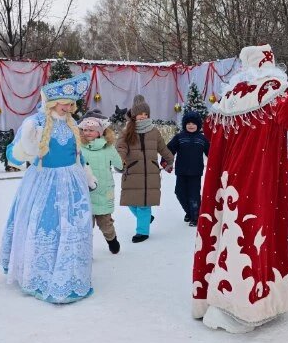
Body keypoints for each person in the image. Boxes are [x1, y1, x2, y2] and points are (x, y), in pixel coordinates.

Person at [192, 44, 288, 333]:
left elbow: (210, 130)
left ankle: (214, 298)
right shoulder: (275, 93)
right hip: (259, 178)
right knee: (255, 234)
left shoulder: (229, 96)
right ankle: (245, 306)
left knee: (225, 230)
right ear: (270, 65)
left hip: (224, 181)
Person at [0, 73, 97, 304]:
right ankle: (40, 273)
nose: (69, 107)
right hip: (44, 183)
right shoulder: (37, 122)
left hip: (72, 183)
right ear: (53, 101)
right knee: (46, 225)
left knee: (72, 227)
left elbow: (78, 156)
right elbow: (13, 155)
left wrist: (87, 175)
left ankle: (69, 276)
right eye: (65, 103)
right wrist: (27, 141)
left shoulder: (72, 124)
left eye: (72, 103)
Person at [116, 95, 175, 243]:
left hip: (150, 173)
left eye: (145, 114)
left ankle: (142, 232)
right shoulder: (127, 131)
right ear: (134, 115)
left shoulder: (154, 131)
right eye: (140, 114)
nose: (143, 116)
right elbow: (121, 147)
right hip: (132, 172)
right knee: (130, 201)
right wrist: (119, 160)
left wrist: (169, 160)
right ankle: (146, 218)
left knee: (144, 204)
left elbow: (162, 147)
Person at [79, 109, 124, 254]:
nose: (87, 133)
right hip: (85, 192)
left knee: (105, 223)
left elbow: (119, 163)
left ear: (100, 132)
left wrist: (122, 165)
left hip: (104, 191)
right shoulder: (79, 148)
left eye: (91, 130)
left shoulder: (107, 147)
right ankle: (84, 252)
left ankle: (112, 239)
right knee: (85, 225)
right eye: (85, 129)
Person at [167, 111, 210, 227]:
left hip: (195, 173)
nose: (191, 125)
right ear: (185, 124)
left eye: (194, 123)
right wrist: (165, 161)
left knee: (194, 195)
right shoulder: (179, 137)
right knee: (179, 193)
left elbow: (210, 153)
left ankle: (195, 217)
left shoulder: (202, 139)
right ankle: (189, 212)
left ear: (198, 125)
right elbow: (169, 150)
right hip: (181, 171)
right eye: (188, 123)